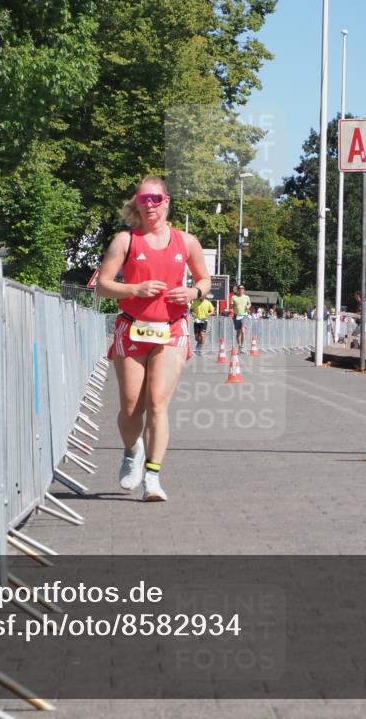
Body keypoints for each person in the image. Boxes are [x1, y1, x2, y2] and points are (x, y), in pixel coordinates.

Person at [97, 175, 211, 502]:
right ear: (137, 203)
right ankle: (132, 451)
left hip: (171, 329)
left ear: (167, 202)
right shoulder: (125, 241)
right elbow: (103, 285)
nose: (150, 206)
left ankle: (153, 477)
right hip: (132, 329)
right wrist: (135, 288)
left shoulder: (186, 242)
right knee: (132, 408)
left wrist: (192, 292)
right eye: (143, 200)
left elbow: (205, 280)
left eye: (156, 199)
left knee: (158, 402)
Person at [230, 284, 252, 353]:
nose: (241, 290)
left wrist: (248, 306)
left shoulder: (246, 297)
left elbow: (249, 304)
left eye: (242, 289)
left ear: (244, 290)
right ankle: (239, 346)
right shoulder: (234, 297)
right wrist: (234, 304)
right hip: (236, 315)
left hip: (244, 315)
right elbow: (231, 306)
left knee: (243, 330)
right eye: (240, 289)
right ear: (238, 290)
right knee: (238, 332)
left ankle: (242, 346)